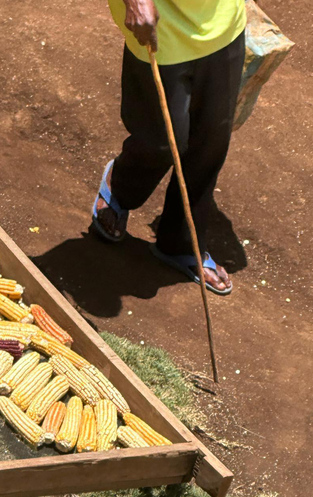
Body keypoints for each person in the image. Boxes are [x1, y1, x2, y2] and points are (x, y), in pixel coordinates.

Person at [92, 0, 247, 295]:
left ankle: (182, 243)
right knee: (161, 141)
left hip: (223, 24)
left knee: (211, 142)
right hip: (160, 25)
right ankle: (120, 187)